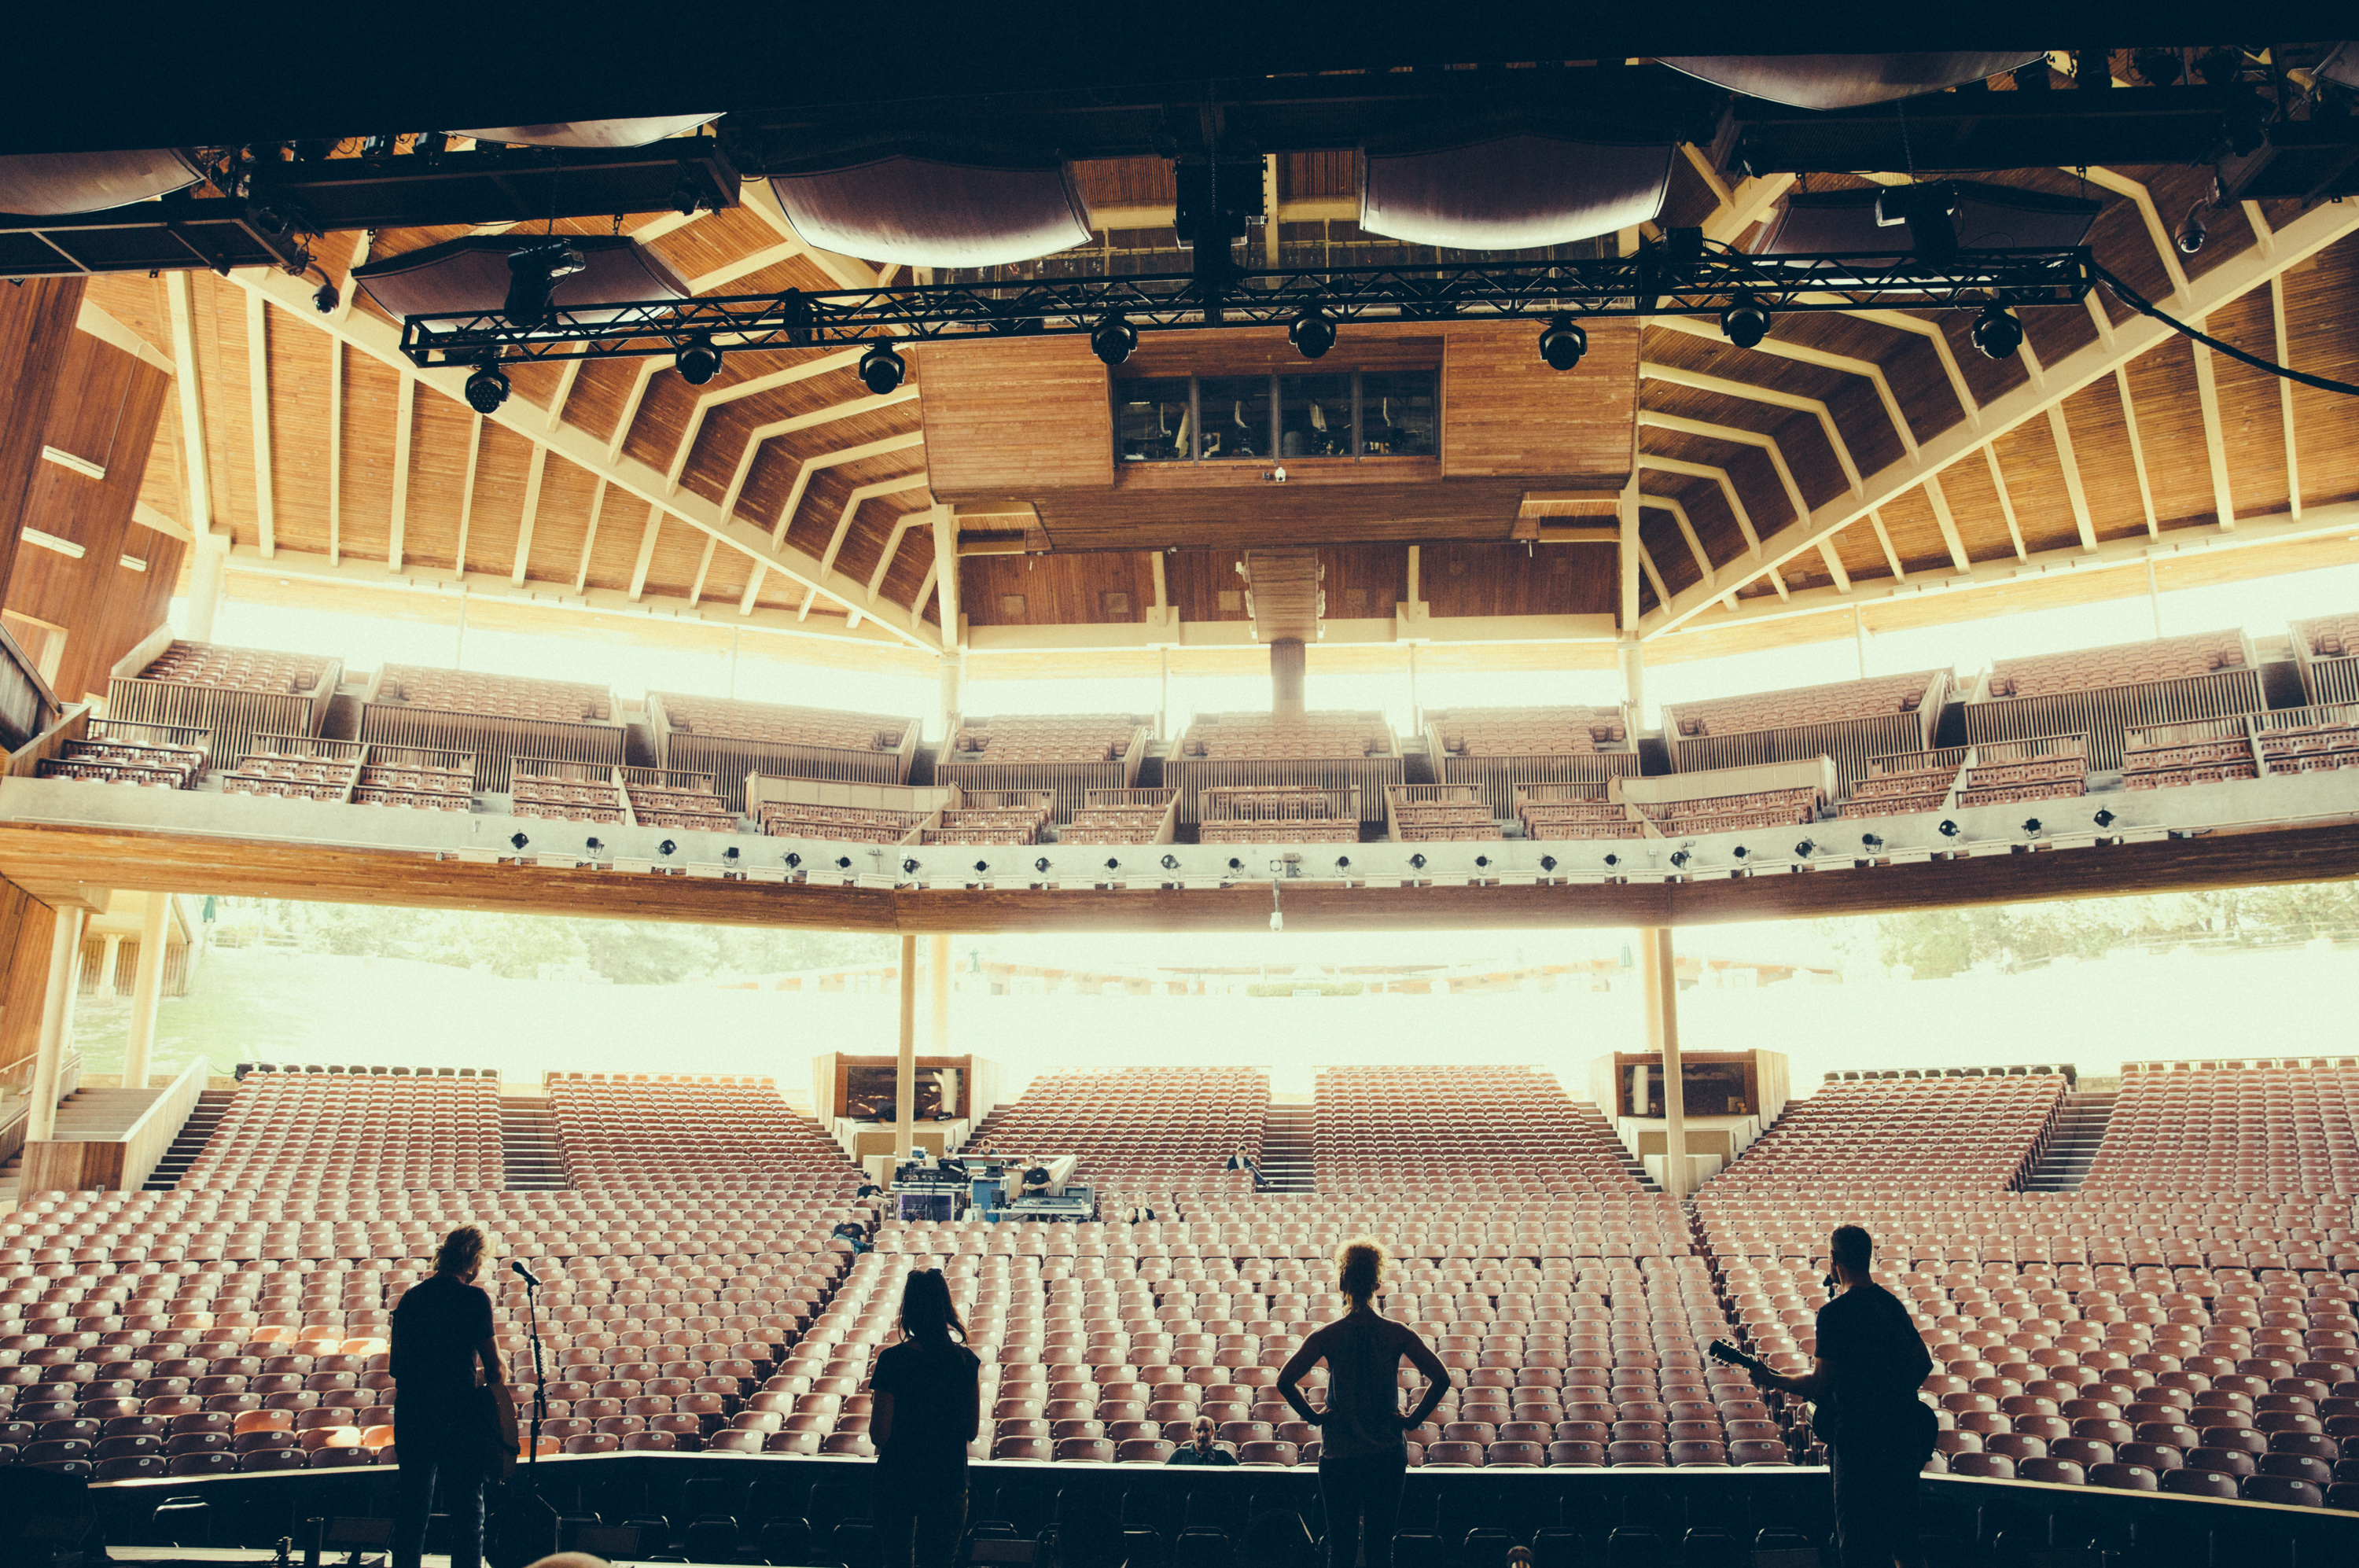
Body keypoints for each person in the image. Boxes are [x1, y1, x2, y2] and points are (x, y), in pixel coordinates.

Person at [1746, 1225, 1935, 1568]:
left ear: (1834, 1260)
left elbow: (1819, 1385)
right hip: (1902, 1439)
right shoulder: (1890, 1305)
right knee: (1905, 1543)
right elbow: (1923, 1363)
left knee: (1858, 1548)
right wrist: (1890, 1394)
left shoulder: (1835, 1314)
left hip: (1858, 1444)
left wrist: (1771, 1378)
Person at [1276, 1240, 1450, 1568]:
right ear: (1376, 1284)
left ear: (1342, 1283)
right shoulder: (1396, 1333)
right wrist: (1412, 1421)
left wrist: (1313, 1417)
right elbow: (1441, 1378)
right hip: (1385, 1457)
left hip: (1340, 1457)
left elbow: (1285, 1381)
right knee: (1380, 1551)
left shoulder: (1328, 1335)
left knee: (1339, 1551)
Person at [391, 1226, 517, 1568]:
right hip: (456, 1415)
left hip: (412, 1414)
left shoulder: (411, 1298)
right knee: (467, 1514)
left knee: (412, 1513)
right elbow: (493, 1369)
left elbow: (397, 1366)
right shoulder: (474, 1299)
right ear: (474, 1261)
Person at [869, 1269, 981, 1568]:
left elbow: (879, 1434)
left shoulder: (892, 1361)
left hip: (899, 1479)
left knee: (897, 1561)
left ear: (910, 1309)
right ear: (946, 1307)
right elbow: (972, 1430)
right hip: (948, 1479)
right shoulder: (965, 1361)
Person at [1165, 1413, 1237, 1466]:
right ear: (1192, 1432)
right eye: (1198, 1431)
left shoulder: (1224, 1456)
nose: (1202, 1435)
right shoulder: (1179, 1454)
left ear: (1213, 1432)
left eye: (1206, 1430)